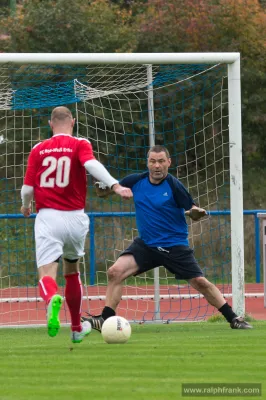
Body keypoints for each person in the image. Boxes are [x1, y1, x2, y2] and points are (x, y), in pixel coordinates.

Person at [81, 145, 252, 331]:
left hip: (174, 245)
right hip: (146, 245)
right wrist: (104, 190)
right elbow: (110, 190)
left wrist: (195, 213)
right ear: (147, 163)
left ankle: (234, 318)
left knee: (200, 282)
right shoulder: (135, 181)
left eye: (161, 161)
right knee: (115, 272)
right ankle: (105, 319)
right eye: (153, 161)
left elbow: (192, 208)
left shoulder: (174, 185)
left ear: (168, 163)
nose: (157, 166)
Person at [20, 106, 133, 344]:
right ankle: (75, 328)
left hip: (48, 217)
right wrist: (115, 185)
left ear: (50, 124)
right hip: (76, 218)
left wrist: (25, 206)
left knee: (46, 272)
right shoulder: (80, 143)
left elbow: (28, 189)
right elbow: (91, 165)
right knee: (72, 272)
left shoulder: (38, 149)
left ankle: (52, 298)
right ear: (73, 121)